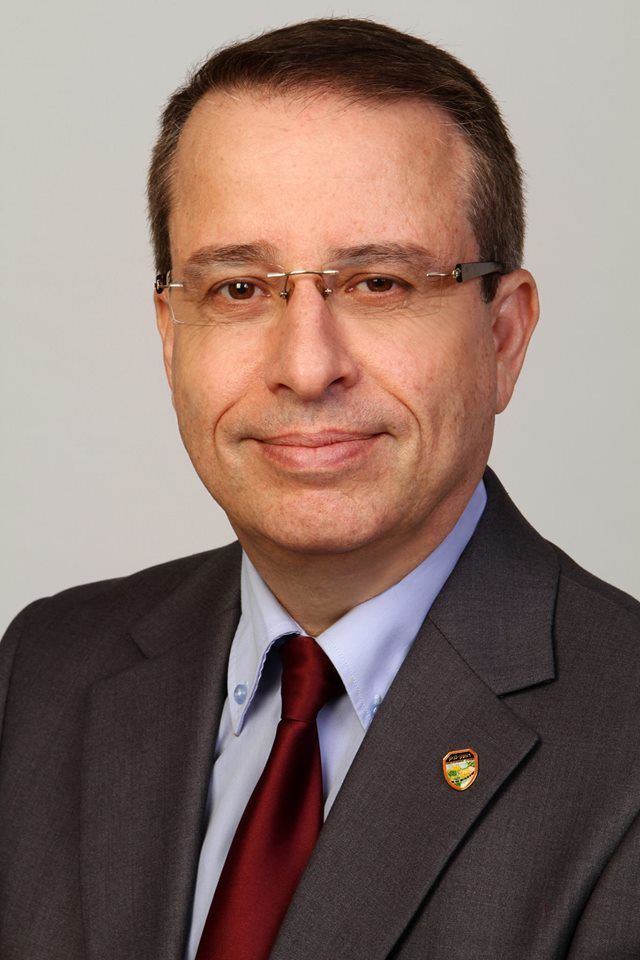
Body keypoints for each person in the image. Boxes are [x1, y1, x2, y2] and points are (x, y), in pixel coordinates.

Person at [0, 16, 638, 960]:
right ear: (171, 338)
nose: (306, 368)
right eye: (239, 290)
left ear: (503, 337)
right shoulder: (46, 671)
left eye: (379, 283)